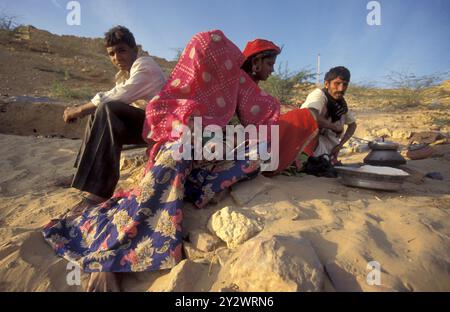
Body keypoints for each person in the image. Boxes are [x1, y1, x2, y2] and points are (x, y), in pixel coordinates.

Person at [43, 30, 280, 292]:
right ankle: (108, 259)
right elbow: (161, 114)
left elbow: (262, 115)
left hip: (207, 148)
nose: (219, 71)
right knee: (173, 160)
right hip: (179, 142)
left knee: (251, 152)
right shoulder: (183, 87)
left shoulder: (238, 83)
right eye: (210, 61)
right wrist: (187, 126)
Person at [60, 26, 166, 211]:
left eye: (122, 50)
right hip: (147, 124)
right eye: (112, 54)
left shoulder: (145, 65)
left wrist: (79, 109)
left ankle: (100, 191)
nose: (117, 57)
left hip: (160, 126)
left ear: (135, 49)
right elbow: (115, 94)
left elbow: (120, 95)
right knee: (99, 112)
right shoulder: (125, 74)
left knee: (108, 108)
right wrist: (88, 110)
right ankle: (82, 173)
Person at [300, 66, 357, 163]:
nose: (341, 88)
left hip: (328, 151)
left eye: (345, 85)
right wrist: (334, 127)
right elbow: (311, 114)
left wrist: (340, 145)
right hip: (309, 148)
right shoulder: (319, 95)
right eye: (337, 83)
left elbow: (352, 125)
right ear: (326, 84)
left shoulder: (341, 104)